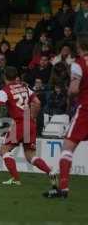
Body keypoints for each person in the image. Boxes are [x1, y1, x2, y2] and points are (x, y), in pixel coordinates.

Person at [0, 66, 56, 186]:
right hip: (30, 123)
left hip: (20, 124)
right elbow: (37, 102)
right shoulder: (24, 87)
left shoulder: (4, 91)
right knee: (31, 156)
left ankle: (16, 179)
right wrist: (33, 117)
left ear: (4, 77)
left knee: (4, 150)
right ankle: (50, 171)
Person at [43, 37, 88, 198]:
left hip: (86, 109)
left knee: (67, 148)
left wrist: (69, 91)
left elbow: (74, 89)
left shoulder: (79, 63)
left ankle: (63, 187)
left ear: (78, 47)